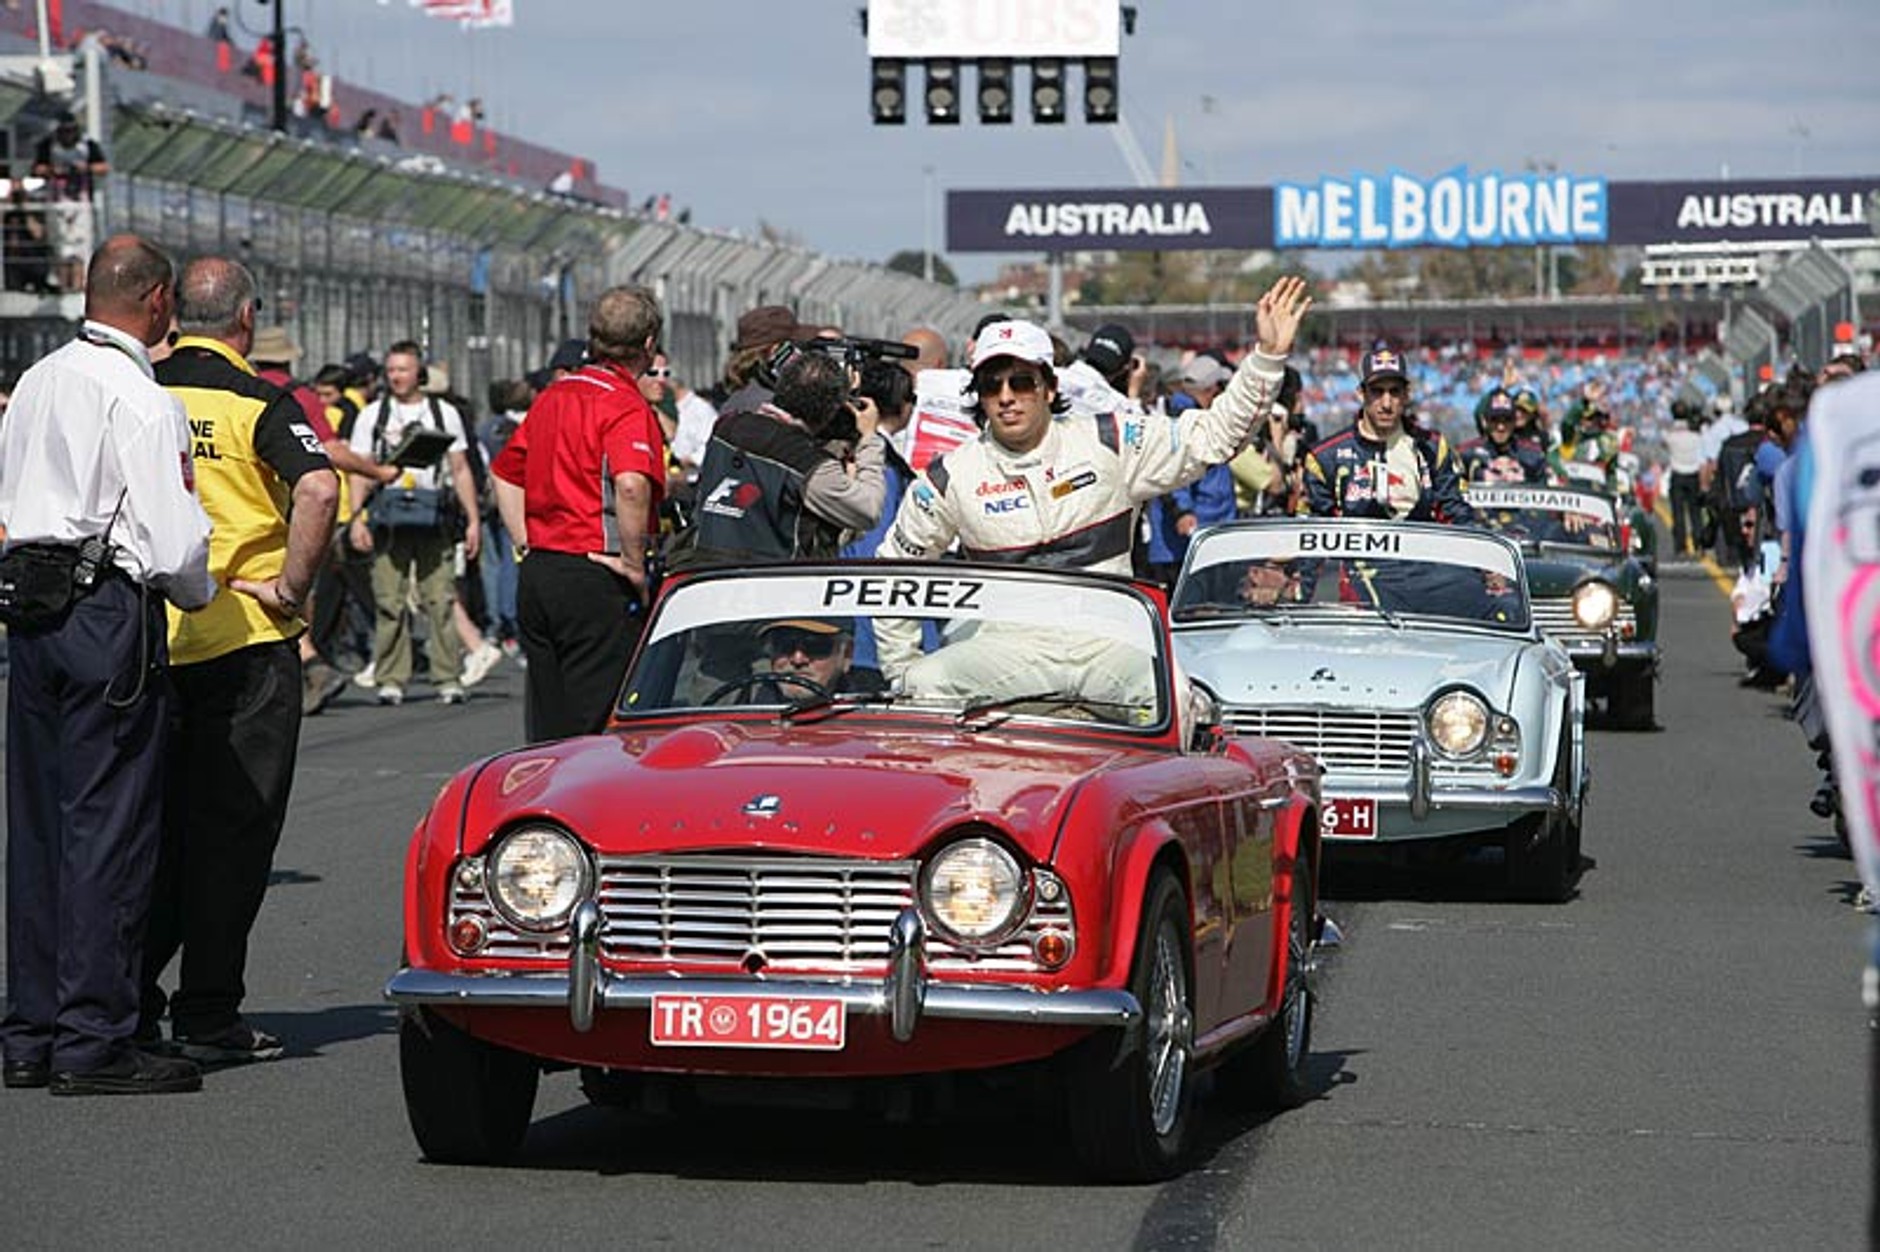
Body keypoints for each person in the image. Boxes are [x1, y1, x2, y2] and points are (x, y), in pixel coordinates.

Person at [0, 234, 214, 1096]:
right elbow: (174, 544)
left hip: (31, 604)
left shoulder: (39, 381)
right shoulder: (140, 396)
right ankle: (94, 1037)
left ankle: (30, 1029)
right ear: (159, 300)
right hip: (103, 609)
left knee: (39, 826)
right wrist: (200, 592)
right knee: (110, 830)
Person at [874, 275, 1312, 682]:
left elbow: (1215, 438)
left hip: (1112, 651)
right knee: (924, 684)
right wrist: (901, 671)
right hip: (1001, 657)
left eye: (1021, 382)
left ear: (1049, 387)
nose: (1006, 397)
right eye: (992, 385)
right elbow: (892, 568)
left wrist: (1267, 358)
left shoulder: (1112, 440)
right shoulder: (951, 476)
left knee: (1186, 703)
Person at [142, 259, 338, 1064]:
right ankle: (209, 1010)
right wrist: (292, 587)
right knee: (234, 832)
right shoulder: (258, 400)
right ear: (246, 319)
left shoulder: (140, 395)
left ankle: (115, 991)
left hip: (148, 635)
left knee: (148, 830)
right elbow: (320, 490)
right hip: (243, 640)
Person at [490, 285, 668, 742]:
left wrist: (525, 541)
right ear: (649, 344)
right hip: (594, 571)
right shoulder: (625, 403)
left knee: (549, 722)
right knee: (597, 722)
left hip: (542, 569)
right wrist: (634, 563)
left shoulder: (553, 396)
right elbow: (630, 485)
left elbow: (506, 473)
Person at [345, 340, 481, 706]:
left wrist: (473, 520)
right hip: (388, 516)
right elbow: (359, 469)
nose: (396, 377)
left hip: (433, 512)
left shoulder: (444, 413)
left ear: (418, 372)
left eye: (403, 370)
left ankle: (447, 675)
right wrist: (356, 517)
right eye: (391, 370)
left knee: (440, 596)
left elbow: (460, 468)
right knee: (389, 599)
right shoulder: (373, 415)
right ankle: (391, 676)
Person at [666, 349, 886, 570]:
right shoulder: (810, 465)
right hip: (772, 586)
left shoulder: (728, 427)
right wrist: (869, 439)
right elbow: (868, 510)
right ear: (831, 411)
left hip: (703, 574)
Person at [1301, 346, 1474, 524]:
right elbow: (1312, 529)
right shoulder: (1324, 457)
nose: (1386, 403)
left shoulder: (1433, 447)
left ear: (1406, 394)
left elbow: (1458, 514)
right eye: (1377, 391)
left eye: (1394, 392)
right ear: (1361, 394)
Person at [33, 111, 108, 292]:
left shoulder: (87, 145)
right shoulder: (48, 145)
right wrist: (53, 170)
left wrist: (85, 168)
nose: (67, 136)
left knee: (81, 245)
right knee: (60, 244)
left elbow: (103, 167)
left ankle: (79, 284)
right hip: (57, 202)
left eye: (70, 131)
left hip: (81, 202)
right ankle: (61, 283)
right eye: (64, 132)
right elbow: (37, 168)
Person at [1458, 388, 1549, 484]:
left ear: (1514, 421)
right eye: (1495, 419)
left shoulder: (1533, 456)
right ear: (1485, 421)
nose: (1501, 427)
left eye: (1507, 420)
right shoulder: (1467, 454)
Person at [1662, 400, 1707, 558]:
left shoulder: (1670, 435)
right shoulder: (1696, 436)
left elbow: (1664, 443)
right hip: (1693, 474)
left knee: (1678, 513)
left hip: (1678, 474)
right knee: (1696, 513)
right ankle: (1699, 543)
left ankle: (1680, 546)